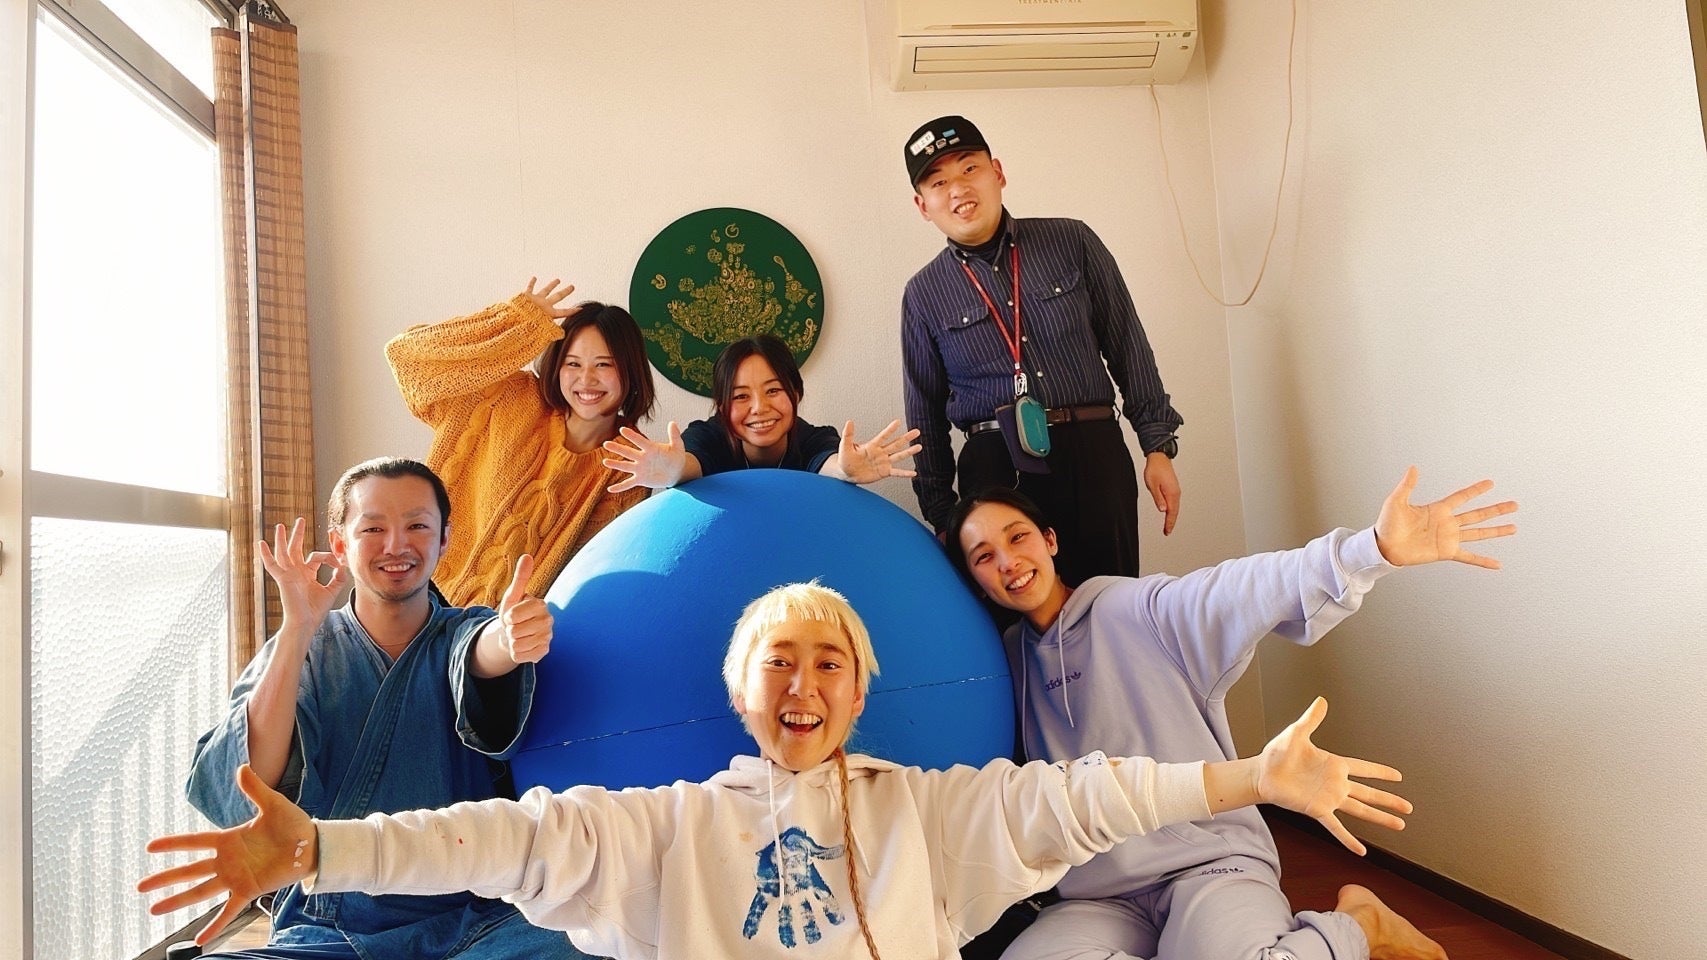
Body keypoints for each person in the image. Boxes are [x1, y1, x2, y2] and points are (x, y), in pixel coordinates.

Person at [144, 583, 1415, 960]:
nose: (803, 685)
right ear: (740, 693)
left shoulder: (931, 811)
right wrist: (321, 848)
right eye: (778, 664)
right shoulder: (664, 827)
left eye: (828, 664)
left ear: (859, 694)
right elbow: (499, 841)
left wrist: (1246, 779)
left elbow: (1091, 796)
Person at [946, 468, 1519, 960]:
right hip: (1099, 896)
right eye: (984, 557)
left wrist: (1370, 550)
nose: (1009, 562)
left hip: (1207, 864)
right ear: (974, 581)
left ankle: (1359, 926)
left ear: (1049, 540)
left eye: (1018, 537)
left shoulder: (1137, 611)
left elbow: (1241, 588)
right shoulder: (1000, 667)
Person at [178, 457, 580, 959]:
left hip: (479, 920)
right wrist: (297, 629)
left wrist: (510, 638)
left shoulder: (464, 631)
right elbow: (247, 784)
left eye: (417, 526)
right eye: (373, 529)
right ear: (340, 544)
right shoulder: (304, 648)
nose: (396, 545)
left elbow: (480, 653)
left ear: (444, 539)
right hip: (335, 927)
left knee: (592, 940)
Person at [901, 115, 1182, 584]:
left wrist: (1157, 445)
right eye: (938, 182)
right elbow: (923, 415)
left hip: (1093, 452)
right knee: (1016, 613)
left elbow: (1127, 344)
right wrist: (943, 515)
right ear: (922, 205)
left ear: (997, 172)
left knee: (1110, 601)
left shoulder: (1072, 240)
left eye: (969, 168)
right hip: (995, 469)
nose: (958, 189)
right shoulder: (923, 293)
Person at [385, 277, 656, 607]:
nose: (586, 379)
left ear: (630, 370)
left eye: (604, 365)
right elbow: (406, 359)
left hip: (503, 632)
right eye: (573, 363)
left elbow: (590, 584)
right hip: (415, 595)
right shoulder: (509, 396)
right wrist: (515, 322)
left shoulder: (631, 463)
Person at [602, 333, 921, 491]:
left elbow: (829, 462)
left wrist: (846, 470)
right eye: (741, 396)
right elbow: (690, 462)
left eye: (773, 391)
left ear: (795, 393)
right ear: (722, 406)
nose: (759, 408)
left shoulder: (812, 438)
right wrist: (674, 471)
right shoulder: (707, 435)